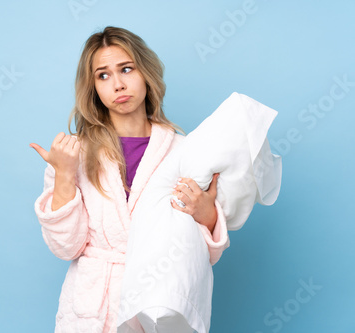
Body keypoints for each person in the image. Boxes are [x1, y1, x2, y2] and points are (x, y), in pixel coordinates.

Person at [30, 26, 230, 333]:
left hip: (154, 303)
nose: (119, 84)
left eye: (126, 69)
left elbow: (200, 255)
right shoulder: (74, 154)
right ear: (93, 87)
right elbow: (65, 248)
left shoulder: (183, 151)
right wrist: (64, 175)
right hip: (91, 312)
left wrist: (207, 215)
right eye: (103, 75)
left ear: (146, 73)